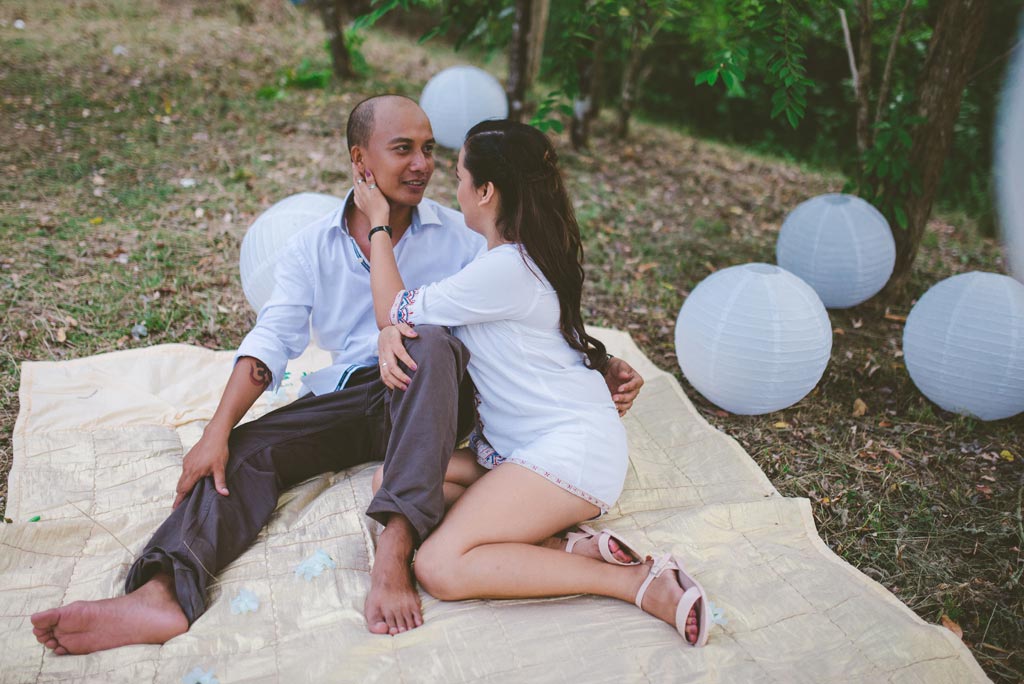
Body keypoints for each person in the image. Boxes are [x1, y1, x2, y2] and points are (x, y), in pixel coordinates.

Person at [30, 95, 645, 654]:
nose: (422, 165)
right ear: (361, 159)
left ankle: (394, 551)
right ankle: (162, 592)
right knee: (245, 454)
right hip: (357, 398)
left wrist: (595, 359)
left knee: (425, 340)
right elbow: (272, 340)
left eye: (429, 150)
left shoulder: (463, 232)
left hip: (437, 396)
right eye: (402, 148)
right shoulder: (310, 247)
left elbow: (531, 308)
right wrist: (217, 428)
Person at [354, 119, 709, 646]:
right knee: (393, 480)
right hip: (518, 448)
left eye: (457, 177)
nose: (452, 188)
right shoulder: (512, 256)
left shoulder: (505, 270)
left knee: (439, 566)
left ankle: (634, 581)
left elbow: (393, 309)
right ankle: (566, 545)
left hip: (566, 454)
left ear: (486, 191)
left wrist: (378, 225)